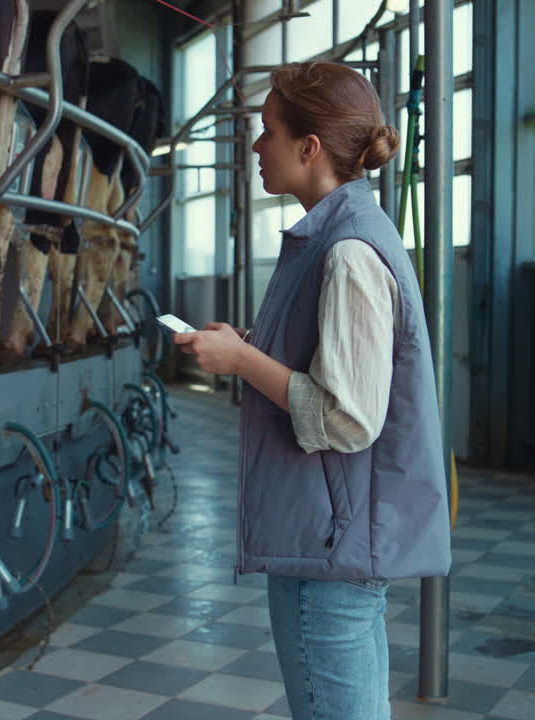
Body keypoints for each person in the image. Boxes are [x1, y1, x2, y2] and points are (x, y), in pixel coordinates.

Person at [174, 61, 451, 720]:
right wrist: (252, 343)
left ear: (310, 148)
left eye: (268, 132)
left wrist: (243, 362)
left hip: (330, 546)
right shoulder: (340, 231)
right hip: (331, 537)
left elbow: (346, 417)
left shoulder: (347, 249)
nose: (257, 148)